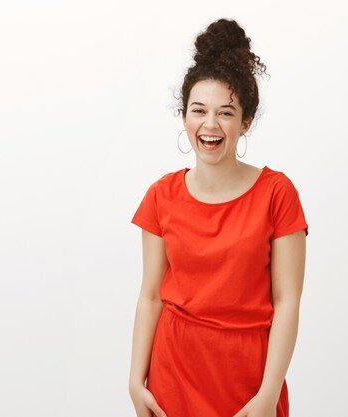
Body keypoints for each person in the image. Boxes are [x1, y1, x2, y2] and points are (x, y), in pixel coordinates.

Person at [128, 18, 309, 417]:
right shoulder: (161, 196)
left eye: (226, 113)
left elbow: (287, 301)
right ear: (185, 118)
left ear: (245, 122)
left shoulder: (277, 194)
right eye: (199, 111)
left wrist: (268, 393)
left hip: (247, 379)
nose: (210, 125)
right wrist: (134, 381)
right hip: (172, 372)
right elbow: (151, 295)